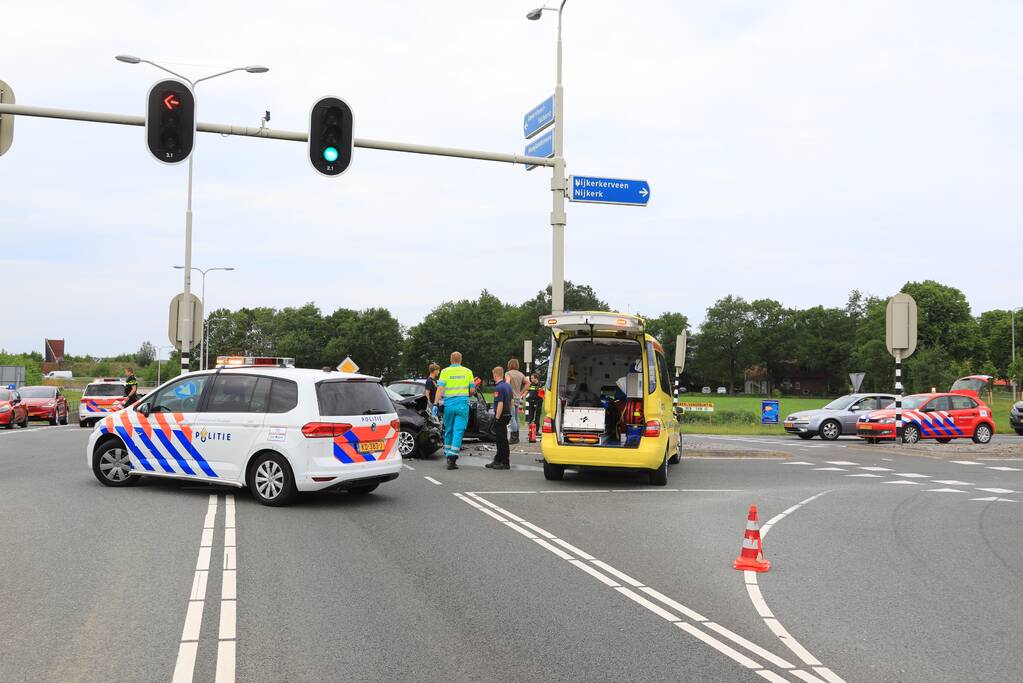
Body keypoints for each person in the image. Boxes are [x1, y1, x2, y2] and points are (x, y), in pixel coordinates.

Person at [434, 352, 476, 470]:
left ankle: (448, 454)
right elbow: (472, 391)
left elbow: (440, 389)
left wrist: (435, 403)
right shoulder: (468, 372)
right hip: (462, 405)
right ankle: (453, 458)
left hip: (449, 405)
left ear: (451, 359)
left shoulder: (445, 372)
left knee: (449, 430)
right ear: (461, 360)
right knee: (458, 431)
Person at [486, 366, 513, 470]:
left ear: (495, 375)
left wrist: (496, 418)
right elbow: (511, 401)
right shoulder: (508, 386)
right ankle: (497, 459)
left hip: (501, 415)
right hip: (507, 414)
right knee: (501, 439)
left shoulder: (499, 388)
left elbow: (500, 403)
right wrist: (509, 412)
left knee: (501, 440)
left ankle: (504, 462)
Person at [505, 358, 528, 444]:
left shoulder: (508, 373)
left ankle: (513, 438)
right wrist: (521, 392)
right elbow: (528, 383)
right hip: (518, 397)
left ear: (509, 365)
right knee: (516, 417)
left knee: (512, 418)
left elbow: (507, 383)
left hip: (511, 398)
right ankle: (516, 437)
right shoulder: (520, 374)